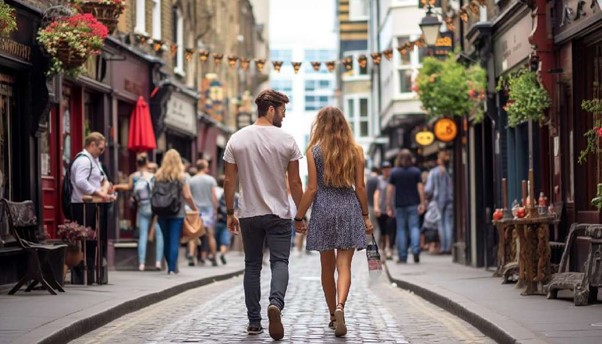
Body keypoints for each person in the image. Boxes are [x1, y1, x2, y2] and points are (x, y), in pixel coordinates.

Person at [223, 89, 303, 340]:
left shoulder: (236, 139)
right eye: (282, 111)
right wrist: (301, 215)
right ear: (271, 109)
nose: (284, 116)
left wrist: (229, 212)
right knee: (280, 262)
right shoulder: (287, 140)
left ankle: (254, 322)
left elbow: (229, 179)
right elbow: (296, 182)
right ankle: (275, 305)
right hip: (279, 213)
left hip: (249, 213)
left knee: (252, 265)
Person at [294, 106, 373, 338]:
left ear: (320, 124)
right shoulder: (356, 151)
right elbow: (360, 187)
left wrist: (299, 216)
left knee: (326, 268)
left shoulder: (314, 152)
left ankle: (331, 315)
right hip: (349, 207)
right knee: (344, 266)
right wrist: (366, 215)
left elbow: (311, 189)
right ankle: (341, 306)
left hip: (324, 209)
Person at [69, 132, 116, 284]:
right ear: (92, 145)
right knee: (87, 241)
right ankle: (85, 274)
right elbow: (80, 181)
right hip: (83, 207)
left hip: (94, 206)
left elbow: (102, 178)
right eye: (100, 149)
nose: (102, 152)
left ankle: (92, 274)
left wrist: (105, 189)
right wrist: (98, 192)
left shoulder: (94, 160)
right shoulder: (84, 160)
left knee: (94, 240)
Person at [114, 153, 164, 271]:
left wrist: (116, 186)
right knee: (159, 234)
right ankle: (158, 262)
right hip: (154, 207)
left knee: (142, 235)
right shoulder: (153, 176)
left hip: (142, 207)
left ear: (137, 163)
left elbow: (128, 187)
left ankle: (142, 263)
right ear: (147, 163)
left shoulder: (134, 176)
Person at [154, 149, 198, 274]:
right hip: (177, 212)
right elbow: (187, 195)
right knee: (174, 240)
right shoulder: (181, 177)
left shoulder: (158, 176)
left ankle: (169, 265)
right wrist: (194, 208)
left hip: (161, 211)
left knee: (165, 240)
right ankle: (172, 268)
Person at [386, 149, 426, 264]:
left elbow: (390, 190)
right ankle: (416, 250)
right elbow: (420, 188)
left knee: (401, 230)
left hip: (399, 205)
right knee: (414, 228)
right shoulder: (415, 171)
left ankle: (402, 256)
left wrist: (389, 205)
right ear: (410, 159)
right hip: (413, 204)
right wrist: (422, 203)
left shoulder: (395, 172)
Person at [188, 159, 219, 266]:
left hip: (196, 209)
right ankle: (214, 257)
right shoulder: (211, 180)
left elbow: (189, 195)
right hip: (208, 209)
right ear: (204, 168)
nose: (208, 169)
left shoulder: (191, 180)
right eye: (207, 167)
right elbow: (214, 196)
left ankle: (191, 256)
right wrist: (215, 208)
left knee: (194, 234)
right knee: (210, 234)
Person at [425, 149, 454, 254]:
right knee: (448, 223)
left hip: (438, 201)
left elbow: (428, 189)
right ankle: (449, 247)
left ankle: (443, 248)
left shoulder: (433, 172)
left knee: (441, 224)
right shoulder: (450, 171)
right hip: (450, 200)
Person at [373, 161, 395, 260]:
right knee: (382, 231)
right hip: (382, 209)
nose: (386, 170)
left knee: (390, 230)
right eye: (384, 168)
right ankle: (382, 250)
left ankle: (388, 249)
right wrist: (376, 207)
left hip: (392, 209)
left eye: (388, 168)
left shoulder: (393, 179)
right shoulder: (379, 180)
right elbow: (376, 194)